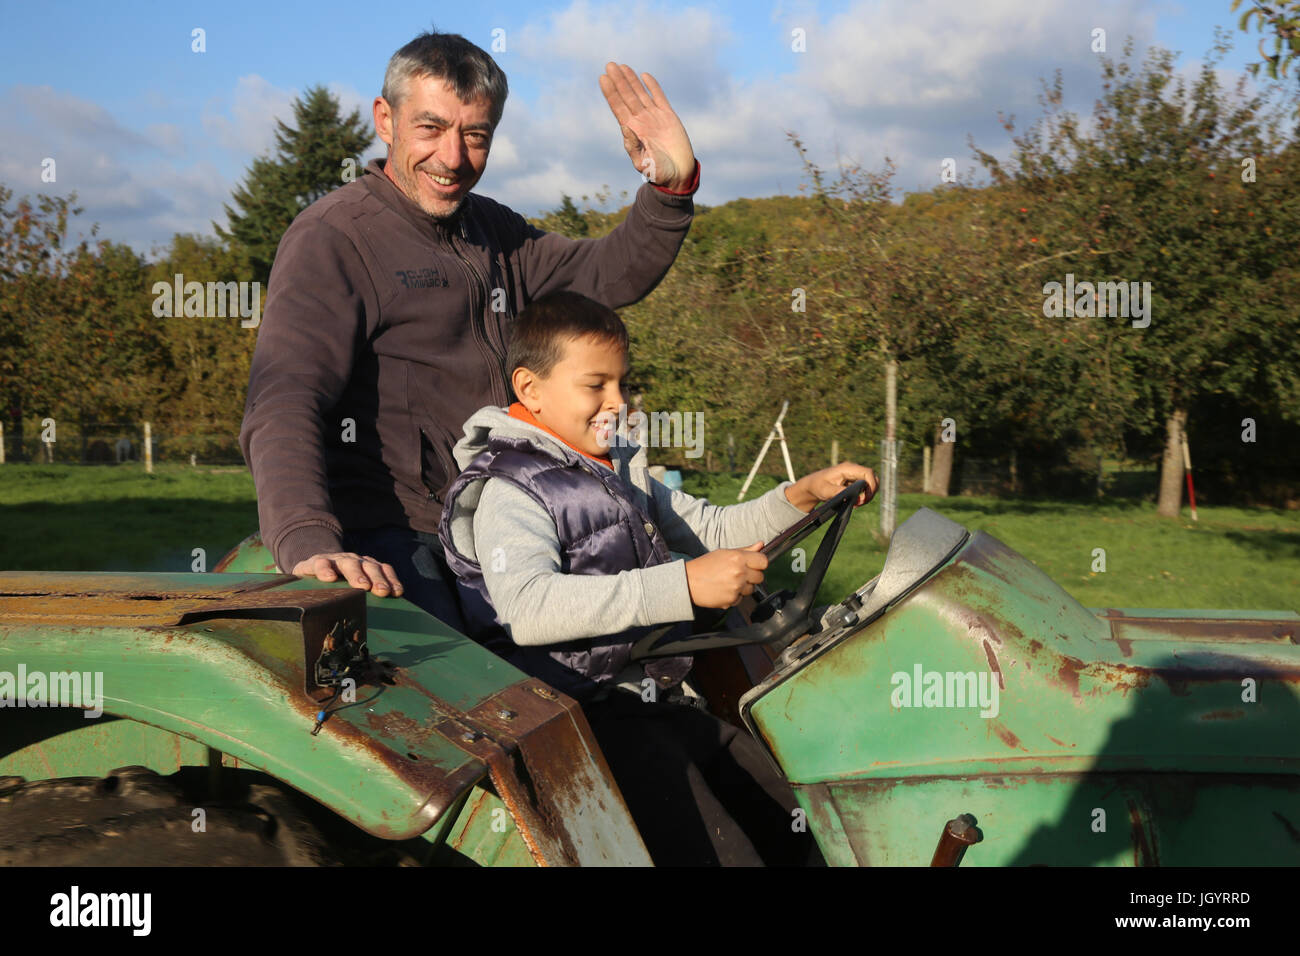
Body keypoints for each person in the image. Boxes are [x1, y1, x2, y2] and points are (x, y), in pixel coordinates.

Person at [238, 30, 702, 630]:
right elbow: (285, 396)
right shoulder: (334, 237)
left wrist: (669, 189)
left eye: (475, 135)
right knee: (473, 697)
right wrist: (307, 539)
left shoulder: (494, 232)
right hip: (398, 530)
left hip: (506, 513)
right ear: (387, 119)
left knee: (652, 635)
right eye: (430, 128)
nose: (453, 158)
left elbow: (605, 275)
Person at [437, 290, 879, 865]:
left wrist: (797, 497)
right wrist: (684, 587)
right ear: (530, 390)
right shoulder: (509, 490)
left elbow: (709, 527)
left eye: (622, 383)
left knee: (787, 816)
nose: (617, 402)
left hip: (651, 697)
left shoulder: (614, 470)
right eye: (596, 386)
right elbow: (529, 606)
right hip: (576, 719)